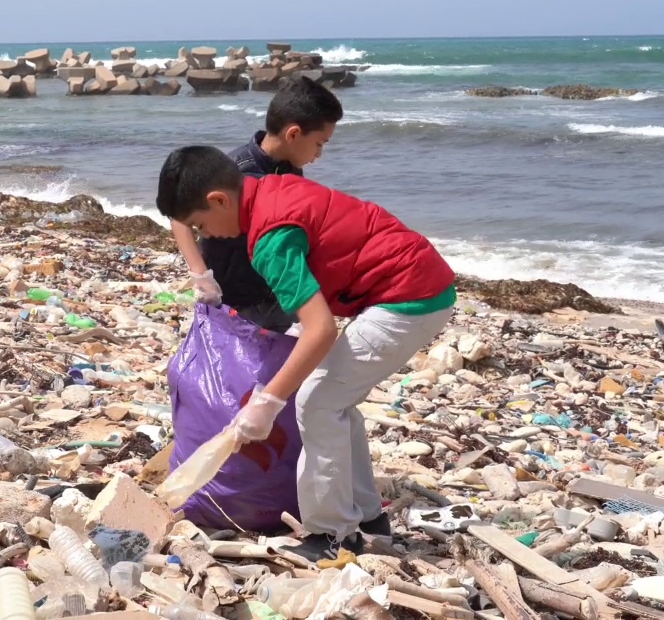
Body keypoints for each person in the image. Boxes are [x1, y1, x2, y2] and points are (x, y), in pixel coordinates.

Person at [156, 145, 456, 561]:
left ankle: (331, 533)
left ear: (220, 200)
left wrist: (264, 404)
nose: (206, 236)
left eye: (201, 225)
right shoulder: (264, 188)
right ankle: (367, 516)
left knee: (315, 402)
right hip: (418, 279)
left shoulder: (270, 241)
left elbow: (320, 330)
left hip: (409, 299)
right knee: (335, 399)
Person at [169, 77, 343, 332]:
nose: (319, 154)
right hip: (232, 298)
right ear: (293, 134)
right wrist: (200, 275)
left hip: (275, 297)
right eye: (319, 143)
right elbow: (179, 215)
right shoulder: (234, 170)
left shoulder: (291, 171)